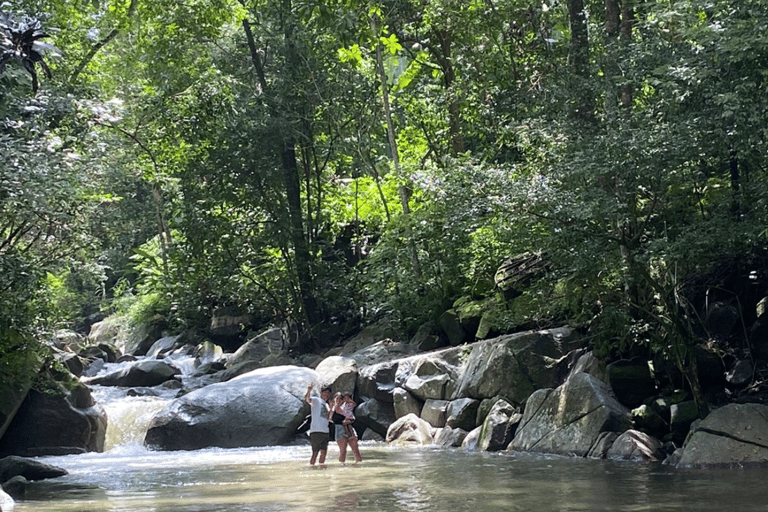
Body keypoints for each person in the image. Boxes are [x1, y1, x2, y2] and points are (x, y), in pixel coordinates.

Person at [330, 392, 363, 463]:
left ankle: (360, 467)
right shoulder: (332, 408)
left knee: (356, 451)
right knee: (343, 452)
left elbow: (351, 417)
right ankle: (342, 468)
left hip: (350, 430)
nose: (338, 400)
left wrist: (350, 420)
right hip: (340, 432)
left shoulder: (345, 407)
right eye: (336, 398)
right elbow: (330, 418)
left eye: (340, 398)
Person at [304, 384, 331, 465]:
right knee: (315, 453)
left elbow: (329, 418)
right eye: (325, 392)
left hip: (325, 431)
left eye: (328, 393)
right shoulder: (316, 400)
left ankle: (321, 469)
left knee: (324, 453)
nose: (326, 394)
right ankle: (312, 468)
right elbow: (307, 399)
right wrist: (309, 390)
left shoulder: (326, 405)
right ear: (321, 393)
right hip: (316, 430)